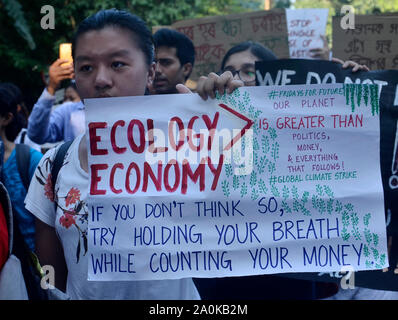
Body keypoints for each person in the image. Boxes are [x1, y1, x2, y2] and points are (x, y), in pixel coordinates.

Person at [25, 9, 199, 300]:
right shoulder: (53, 166)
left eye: (118, 64)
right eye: (86, 68)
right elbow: (52, 280)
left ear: (151, 73)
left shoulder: (190, 148)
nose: (101, 80)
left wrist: (230, 115)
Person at [0, 84, 43, 253]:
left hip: (33, 266)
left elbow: (50, 222)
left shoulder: (30, 160)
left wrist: (49, 274)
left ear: (6, 118)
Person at [27, 58, 84, 144]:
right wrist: (51, 88)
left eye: (112, 65)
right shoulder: (67, 111)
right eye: (86, 68)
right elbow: (36, 134)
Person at [149, 28, 195, 94]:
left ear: (186, 69)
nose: (157, 70)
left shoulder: (205, 102)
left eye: (166, 63)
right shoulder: (135, 100)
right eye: (153, 62)